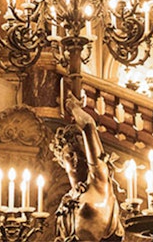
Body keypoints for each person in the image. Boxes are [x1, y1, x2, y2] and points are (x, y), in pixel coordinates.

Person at [51, 94, 124, 242]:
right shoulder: (66, 200)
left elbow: (88, 126)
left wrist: (73, 107)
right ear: (60, 160)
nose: (76, 159)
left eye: (80, 153)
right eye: (70, 155)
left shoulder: (99, 182)